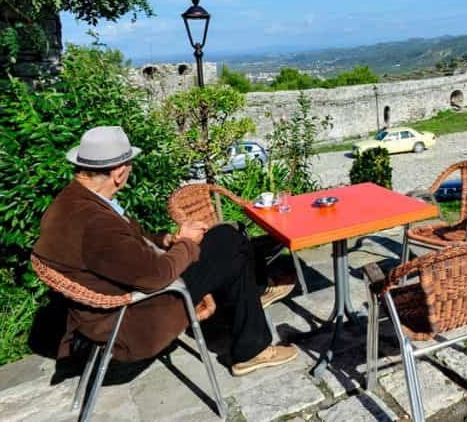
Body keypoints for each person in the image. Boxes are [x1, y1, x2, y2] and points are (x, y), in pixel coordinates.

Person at [33, 126, 297, 376]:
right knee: (230, 240)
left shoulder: (70, 202)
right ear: (119, 172)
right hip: (140, 316)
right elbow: (156, 275)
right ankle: (253, 345)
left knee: (225, 242)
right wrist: (187, 243)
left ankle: (247, 303)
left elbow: (129, 240)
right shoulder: (96, 223)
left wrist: (168, 240)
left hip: (119, 303)